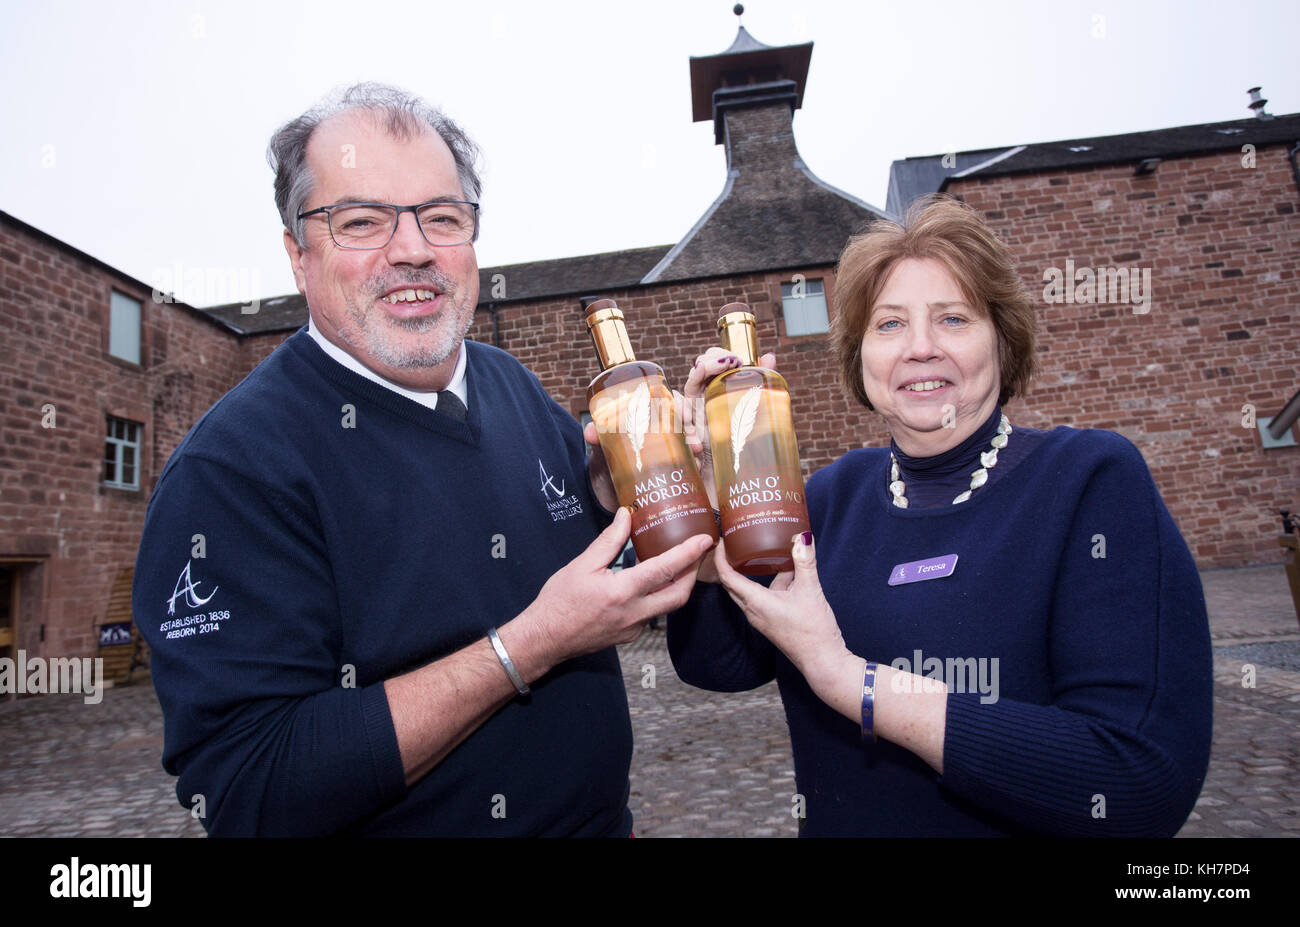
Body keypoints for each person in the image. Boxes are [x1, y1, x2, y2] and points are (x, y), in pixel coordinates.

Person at [131, 83, 712, 836]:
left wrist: (607, 488)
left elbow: (570, 542)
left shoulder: (511, 385)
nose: (412, 250)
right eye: (361, 221)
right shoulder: (230, 473)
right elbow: (250, 784)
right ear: (298, 255)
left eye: (442, 217)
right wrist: (529, 645)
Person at [669, 195, 1213, 836]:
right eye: (890, 324)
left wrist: (850, 681)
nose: (920, 348)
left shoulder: (1089, 481)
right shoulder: (826, 497)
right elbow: (721, 666)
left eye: (953, 319)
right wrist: (712, 534)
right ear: (861, 357)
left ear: (1002, 344)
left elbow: (1133, 784)